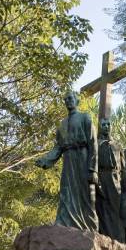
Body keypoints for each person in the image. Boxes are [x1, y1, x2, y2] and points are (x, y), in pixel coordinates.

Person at [35, 91, 98, 232]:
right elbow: (58, 147)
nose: (67, 101)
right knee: (66, 191)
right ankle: (64, 222)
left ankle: (88, 226)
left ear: (77, 101)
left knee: (84, 192)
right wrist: (46, 160)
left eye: (70, 98)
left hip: (82, 156)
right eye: (65, 99)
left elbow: (93, 144)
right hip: (68, 159)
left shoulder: (85, 117)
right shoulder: (62, 124)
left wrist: (92, 169)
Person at [96, 118, 126, 242]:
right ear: (100, 127)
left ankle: (117, 239)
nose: (106, 126)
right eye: (103, 124)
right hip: (101, 175)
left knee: (115, 208)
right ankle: (103, 236)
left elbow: (124, 167)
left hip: (115, 178)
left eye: (108, 124)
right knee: (102, 206)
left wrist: (125, 181)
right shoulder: (96, 143)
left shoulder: (117, 145)